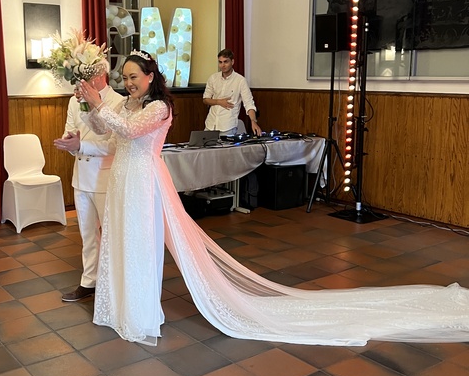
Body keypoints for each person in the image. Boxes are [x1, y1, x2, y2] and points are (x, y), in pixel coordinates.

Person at [76, 53, 469, 348]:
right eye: (124, 78)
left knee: (140, 247)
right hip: (122, 180)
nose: (128, 83)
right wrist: (87, 105)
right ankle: (118, 308)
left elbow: (128, 130)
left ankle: (140, 316)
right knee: (119, 242)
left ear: (150, 77)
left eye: (134, 77)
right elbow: (107, 131)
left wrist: (98, 103)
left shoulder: (159, 107)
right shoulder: (125, 104)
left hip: (143, 181)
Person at [53, 62, 123, 302]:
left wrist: (81, 145)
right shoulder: (74, 101)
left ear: (101, 74)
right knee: (87, 235)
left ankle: (114, 284)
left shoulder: (118, 102)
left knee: (111, 234)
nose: (81, 79)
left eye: (86, 74)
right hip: (81, 176)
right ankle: (89, 282)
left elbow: (114, 146)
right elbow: (69, 131)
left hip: (105, 177)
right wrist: (70, 142)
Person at [203, 49, 262, 137]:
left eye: (226, 62)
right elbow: (205, 99)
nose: (223, 65)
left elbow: (249, 103)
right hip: (210, 124)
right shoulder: (213, 78)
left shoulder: (240, 80)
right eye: (220, 62)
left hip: (227, 126)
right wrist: (218, 102)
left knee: (225, 147)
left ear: (232, 62)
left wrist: (253, 121)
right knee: (204, 145)